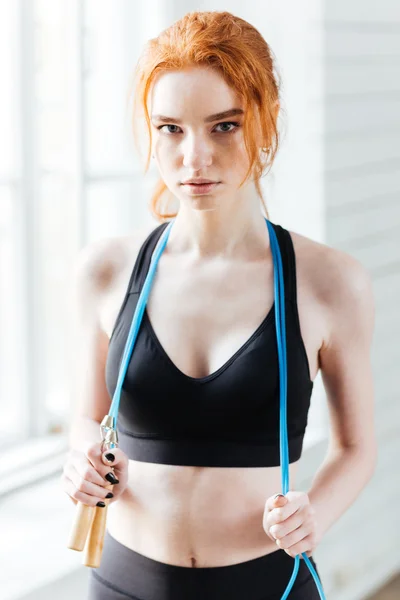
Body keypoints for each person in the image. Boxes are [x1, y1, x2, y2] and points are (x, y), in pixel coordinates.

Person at [61, 10, 377, 600]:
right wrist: (80, 458)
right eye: (171, 129)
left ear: (265, 121)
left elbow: (357, 448)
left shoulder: (332, 283)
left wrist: (319, 512)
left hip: (268, 586)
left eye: (224, 126)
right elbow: (88, 419)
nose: (195, 158)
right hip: (123, 585)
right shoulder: (105, 272)